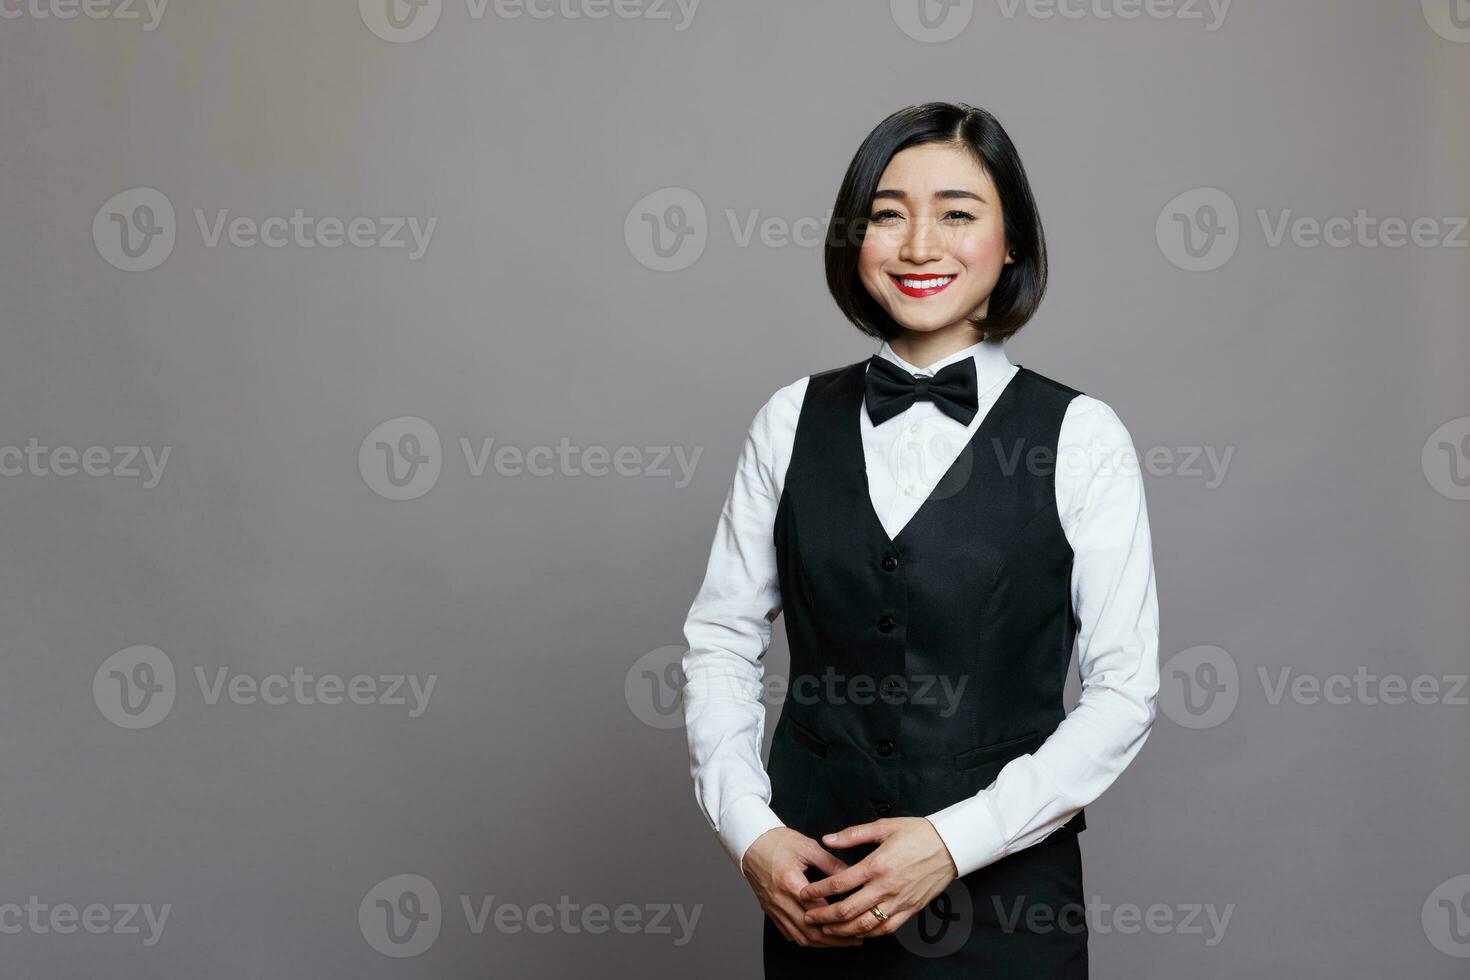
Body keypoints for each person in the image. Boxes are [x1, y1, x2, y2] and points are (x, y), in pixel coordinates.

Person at [680, 101, 1160, 977]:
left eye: (958, 213)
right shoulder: (789, 420)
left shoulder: (1084, 436)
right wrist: (752, 831)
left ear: (1011, 240)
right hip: (815, 900)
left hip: (1009, 914)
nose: (918, 245)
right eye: (888, 214)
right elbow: (720, 639)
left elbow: (1125, 694)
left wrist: (952, 840)